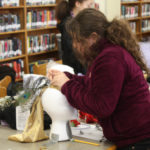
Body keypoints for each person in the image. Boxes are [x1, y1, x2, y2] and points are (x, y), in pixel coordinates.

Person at [48, 8, 150, 149]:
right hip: (134, 136)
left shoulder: (110, 58)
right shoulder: (108, 53)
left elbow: (101, 106)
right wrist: (68, 78)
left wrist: (67, 86)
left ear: (93, 37)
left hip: (137, 141)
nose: (75, 45)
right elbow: (98, 85)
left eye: (78, 40)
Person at [56, 0, 94, 74]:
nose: (89, 9)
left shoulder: (78, 21)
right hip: (74, 71)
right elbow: (74, 53)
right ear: (78, 4)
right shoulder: (68, 25)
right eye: (88, 5)